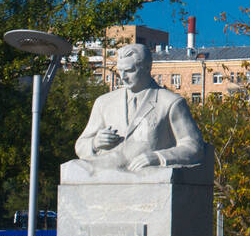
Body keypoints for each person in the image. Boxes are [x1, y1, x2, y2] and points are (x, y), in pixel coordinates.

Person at [73, 43, 205, 171]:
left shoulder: (170, 102)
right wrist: (95, 143)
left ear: (147, 68)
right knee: (72, 169)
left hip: (148, 176)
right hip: (106, 171)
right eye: (120, 70)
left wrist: (158, 157)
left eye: (130, 71)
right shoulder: (104, 103)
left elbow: (193, 146)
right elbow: (80, 145)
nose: (123, 77)